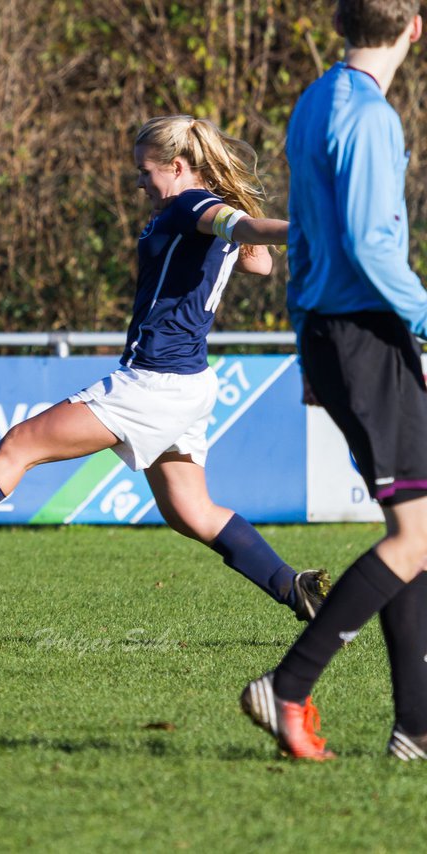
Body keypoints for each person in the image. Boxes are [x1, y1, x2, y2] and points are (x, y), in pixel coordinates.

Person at [0, 115, 329, 623]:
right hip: (187, 383)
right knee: (193, 513)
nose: (140, 182)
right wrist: (236, 224)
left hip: (153, 382)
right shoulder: (195, 208)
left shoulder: (191, 204)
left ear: (176, 166)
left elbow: (244, 232)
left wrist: (296, 232)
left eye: (145, 172)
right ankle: (292, 586)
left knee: (21, 445)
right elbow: (258, 262)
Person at [240, 0, 427, 762]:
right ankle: (287, 684)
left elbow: (315, 240)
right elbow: (369, 246)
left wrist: (309, 341)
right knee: (418, 533)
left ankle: (414, 727)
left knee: (413, 531)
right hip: (363, 332)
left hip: (333, 332)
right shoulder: (371, 117)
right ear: (416, 26)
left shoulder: (315, 99)